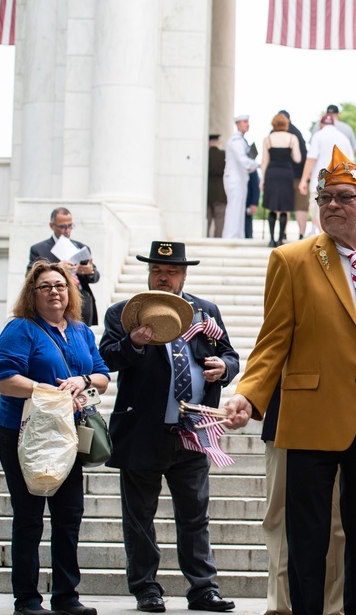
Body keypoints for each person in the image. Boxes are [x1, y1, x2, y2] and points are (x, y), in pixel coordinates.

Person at [222, 146, 356, 615]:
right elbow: (273, 340)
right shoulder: (291, 259)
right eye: (324, 197)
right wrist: (247, 394)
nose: (331, 205)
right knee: (308, 537)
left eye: (343, 197)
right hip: (310, 419)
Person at [99, 242, 240, 613]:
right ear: (149, 273)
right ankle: (146, 588)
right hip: (143, 431)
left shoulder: (204, 313)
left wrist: (224, 368)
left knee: (195, 514)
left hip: (194, 431)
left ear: (183, 274)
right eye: (158, 270)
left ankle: (203, 589)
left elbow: (229, 354)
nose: (164, 276)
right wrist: (133, 343)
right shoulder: (124, 313)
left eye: (172, 271)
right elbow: (107, 359)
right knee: (139, 517)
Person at [0, 261, 110, 615]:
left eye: (59, 285)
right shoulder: (20, 329)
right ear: (32, 292)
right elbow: (3, 379)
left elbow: (102, 376)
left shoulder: (81, 331)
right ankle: (27, 600)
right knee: (29, 516)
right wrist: (42, 390)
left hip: (67, 433)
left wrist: (82, 381)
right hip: (22, 431)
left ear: (70, 291)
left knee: (69, 514)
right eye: (45, 286)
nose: (54, 291)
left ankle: (66, 597)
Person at [28, 208, 101, 327]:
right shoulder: (39, 249)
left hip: (81, 301)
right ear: (52, 226)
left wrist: (90, 271)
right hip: (54, 302)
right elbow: (30, 276)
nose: (67, 230)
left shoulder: (81, 247)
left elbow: (96, 276)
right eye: (62, 227)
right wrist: (57, 267)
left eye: (70, 226)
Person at [301, 114, 353, 237]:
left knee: (318, 211)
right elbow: (351, 163)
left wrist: (303, 180)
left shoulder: (317, 136)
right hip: (340, 182)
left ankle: (324, 239)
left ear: (321, 124)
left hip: (320, 182)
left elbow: (311, 159)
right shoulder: (343, 137)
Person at [260, 112, 304, 247]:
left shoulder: (268, 139)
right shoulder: (292, 138)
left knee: (272, 207)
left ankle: (272, 239)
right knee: (284, 207)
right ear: (286, 124)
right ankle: (280, 239)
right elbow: (298, 158)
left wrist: (262, 180)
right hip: (286, 173)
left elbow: (264, 161)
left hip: (272, 173)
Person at [223, 114, 260, 239]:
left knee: (239, 208)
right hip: (234, 179)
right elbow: (242, 160)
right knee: (234, 207)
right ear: (238, 124)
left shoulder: (241, 140)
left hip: (240, 179)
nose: (247, 124)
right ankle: (231, 236)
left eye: (247, 121)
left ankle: (237, 235)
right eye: (244, 122)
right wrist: (257, 164)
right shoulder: (236, 141)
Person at [278, 110, 311, 240]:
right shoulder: (297, 133)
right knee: (300, 206)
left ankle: (283, 232)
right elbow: (304, 155)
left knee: (283, 206)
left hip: (281, 176)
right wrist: (306, 175)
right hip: (298, 175)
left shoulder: (273, 134)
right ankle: (301, 234)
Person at [207, 134, 227, 237]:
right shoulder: (223, 154)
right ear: (218, 143)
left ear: (208, 143)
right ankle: (218, 238)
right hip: (220, 190)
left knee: (207, 218)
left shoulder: (205, 155)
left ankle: (205, 237)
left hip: (207, 190)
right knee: (220, 219)